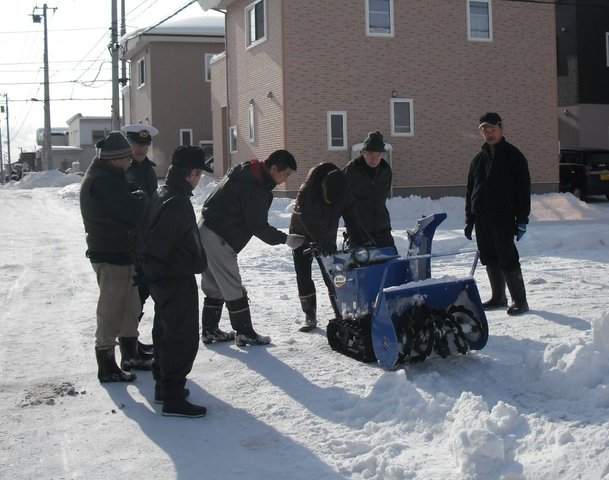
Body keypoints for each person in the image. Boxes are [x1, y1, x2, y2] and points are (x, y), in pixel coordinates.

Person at [198, 149, 304, 346]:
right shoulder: (255, 186)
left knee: (214, 284)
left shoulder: (246, 171)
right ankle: (244, 332)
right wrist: (285, 239)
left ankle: (210, 330)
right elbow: (257, 225)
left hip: (205, 228)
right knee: (232, 285)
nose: (285, 180)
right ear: (273, 168)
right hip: (219, 236)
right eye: (285, 174)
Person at [140, 146, 208, 418]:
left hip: (167, 278)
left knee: (165, 332)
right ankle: (172, 397)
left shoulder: (164, 193)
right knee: (181, 337)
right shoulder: (176, 202)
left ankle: (164, 388)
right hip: (174, 278)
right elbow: (159, 247)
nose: (200, 178)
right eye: (199, 173)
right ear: (192, 173)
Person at [79, 131, 152, 383]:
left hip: (122, 251)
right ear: (115, 158)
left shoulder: (110, 176)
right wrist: (141, 197)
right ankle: (106, 364)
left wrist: (135, 195)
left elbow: (127, 199)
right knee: (111, 309)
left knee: (130, 306)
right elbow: (132, 210)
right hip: (110, 254)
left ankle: (130, 354)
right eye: (126, 158)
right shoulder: (101, 181)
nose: (130, 161)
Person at [464, 112, 531, 315]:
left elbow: (523, 190)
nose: (489, 133)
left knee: (507, 257)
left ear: (501, 128)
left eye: (492, 129)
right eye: (485, 130)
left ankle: (520, 301)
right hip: (482, 217)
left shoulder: (514, 156)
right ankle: (498, 297)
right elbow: (470, 191)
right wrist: (470, 219)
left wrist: (522, 220)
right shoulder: (478, 160)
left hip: (503, 217)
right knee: (489, 257)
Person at [289, 163, 365, 332]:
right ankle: (310, 314)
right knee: (303, 273)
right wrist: (321, 240)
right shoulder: (307, 191)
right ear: (323, 187)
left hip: (327, 234)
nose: (332, 203)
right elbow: (307, 217)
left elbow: (352, 217)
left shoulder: (343, 190)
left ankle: (339, 311)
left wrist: (357, 241)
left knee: (332, 274)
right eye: (329, 200)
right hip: (301, 233)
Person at [122, 123, 159, 359]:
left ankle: (132, 341)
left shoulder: (148, 169)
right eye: (136, 144)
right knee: (134, 293)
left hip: (148, 237)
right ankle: (128, 346)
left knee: (142, 292)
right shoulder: (125, 168)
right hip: (132, 239)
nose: (140, 149)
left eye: (144, 145)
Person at [343, 130, 395, 249]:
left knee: (390, 263)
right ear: (363, 153)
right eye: (370, 154)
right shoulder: (351, 169)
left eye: (378, 155)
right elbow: (339, 197)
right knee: (362, 266)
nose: (374, 159)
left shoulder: (386, 170)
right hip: (358, 232)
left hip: (383, 230)